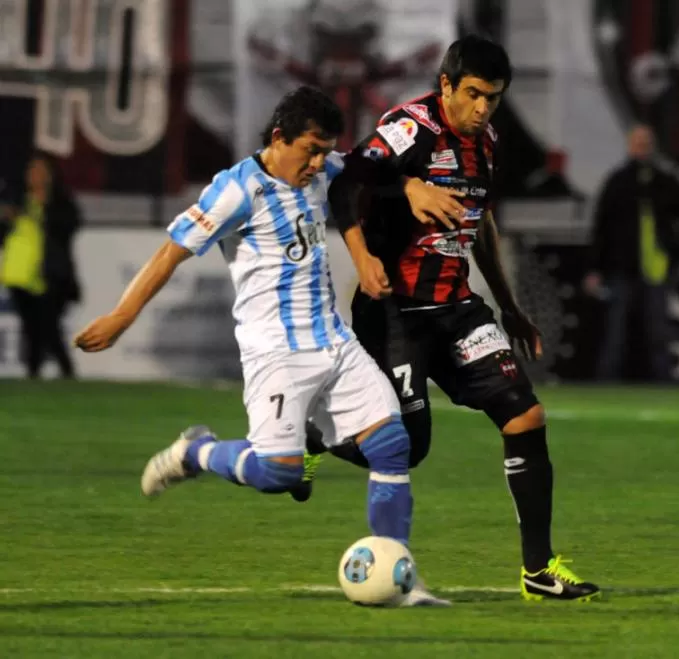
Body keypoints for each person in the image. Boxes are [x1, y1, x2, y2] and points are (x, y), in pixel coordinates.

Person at [73, 86, 456, 607]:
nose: (319, 163)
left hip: (334, 342)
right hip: (276, 355)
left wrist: (411, 185)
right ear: (279, 137)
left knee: (392, 446)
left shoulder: (323, 169)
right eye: (311, 151)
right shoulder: (237, 190)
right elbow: (170, 253)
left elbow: (368, 167)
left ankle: (398, 578)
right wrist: (122, 314)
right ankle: (198, 452)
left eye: (325, 151)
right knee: (279, 473)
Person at [309, 35, 601, 602]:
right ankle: (316, 435)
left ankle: (538, 572)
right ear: (446, 85)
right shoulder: (409, 127)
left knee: (526, 418)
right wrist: (371, 247)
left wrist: (509, 304)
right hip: (394, 309)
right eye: (473, 95)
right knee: (409, 448)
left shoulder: (487, 140)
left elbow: (480, 222)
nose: (482, 108)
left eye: (493, 98)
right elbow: (345, 184)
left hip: (457, 308)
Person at [582, 124, 679, 382]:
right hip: (621, 267)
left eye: (646, 143)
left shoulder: (664, 182)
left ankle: (663, 382)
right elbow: (601, 227)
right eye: (638, 143)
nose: (642, 148)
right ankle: (607, 383)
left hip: (656, 268)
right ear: (629, 146)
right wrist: (595, 268)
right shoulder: (618, 182)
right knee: (616, 331)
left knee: (658, 330)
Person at [0, 151, 82, 379]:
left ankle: (66, 370)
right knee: (30, 326)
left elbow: (70, 226)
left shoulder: (58, 201)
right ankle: (34, 373)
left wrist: (46, 211)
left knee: (48, 325)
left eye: (41, 171)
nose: (36, 176)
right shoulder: (17, 201)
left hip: (50, 274)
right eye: (32, 171)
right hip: (19, 273)